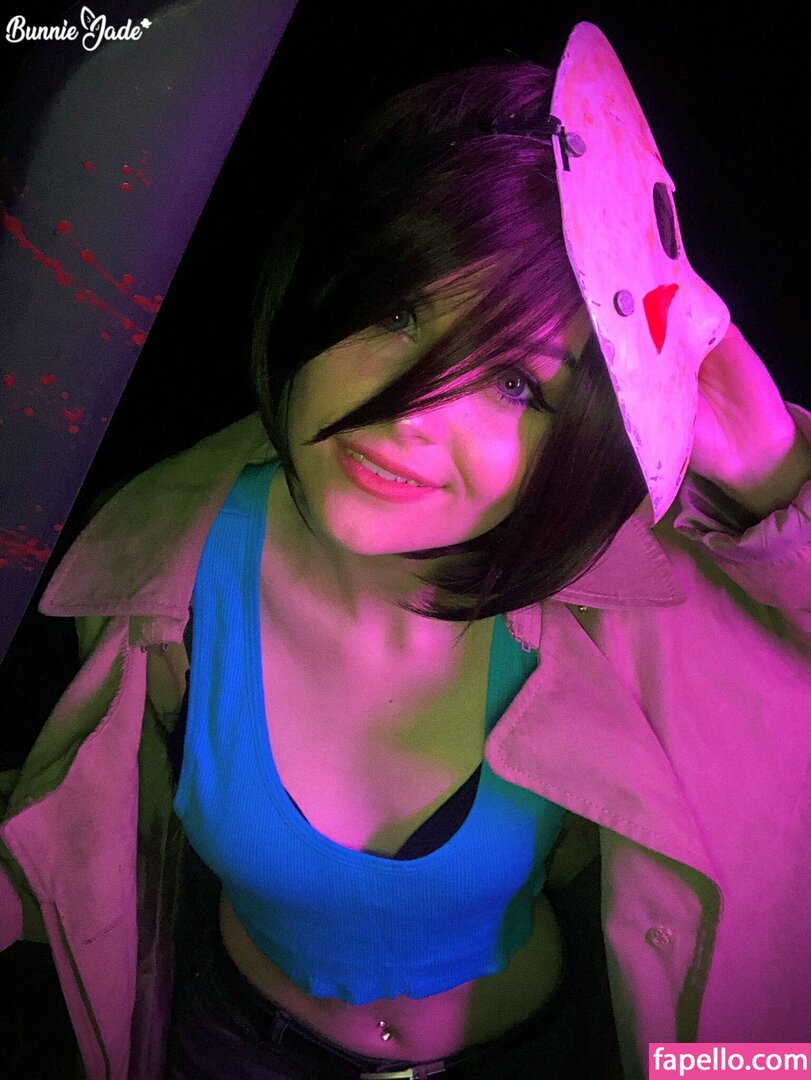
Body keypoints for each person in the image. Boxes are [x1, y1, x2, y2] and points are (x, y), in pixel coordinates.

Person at [1, 23, 809, 1080]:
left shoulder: (624, 603)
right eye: (396, 313)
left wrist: (774, 478)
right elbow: (68, 827)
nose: (413, 414)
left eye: (514, 383)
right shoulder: (158, 576)